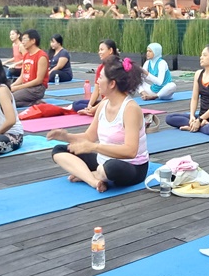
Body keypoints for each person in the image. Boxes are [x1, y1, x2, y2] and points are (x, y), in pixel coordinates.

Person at [48, 56, 149, 192]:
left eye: (101, 78)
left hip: (131, 166)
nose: (97, 81)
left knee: (109, 168)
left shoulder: (130, 109)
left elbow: (130, 151)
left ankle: (87, 174)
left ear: (112, 84)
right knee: (59, 150)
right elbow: (89, 137)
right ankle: (93, 180)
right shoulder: (103, 104)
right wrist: (66, 136)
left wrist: (94, 147)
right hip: (103, 159)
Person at [165, 45, 209, 136]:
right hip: (201, 116)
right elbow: (195, 98)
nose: (201, 57)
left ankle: (195, 127)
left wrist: (199, 120)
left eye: (204, 55)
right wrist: (192, 116)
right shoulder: (198, 74)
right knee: (169, 118)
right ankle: (196, 125)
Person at [73, 39, 119, 114]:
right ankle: (93, 110)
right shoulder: (101, 68)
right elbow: (96, 90)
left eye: (102, 49)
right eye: (99, 50)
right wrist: (90, 105)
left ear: (110, 50)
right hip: (105, 101)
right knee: (76, 104)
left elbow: (112, 94)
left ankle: (96, 111)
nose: (99, 52)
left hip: (113, 101)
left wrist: (94, 109)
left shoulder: (116, 67)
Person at [10, 29, 49, 108]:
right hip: (26, 87)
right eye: (22, 39)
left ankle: (33, 103)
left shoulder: (41, 56)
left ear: (33, 41)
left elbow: (39, 80)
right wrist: (11, 86)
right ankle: (34, 102)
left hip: (36, 89)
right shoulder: (26, 55)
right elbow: (22, 76)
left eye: (24, 39)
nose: (22, 42)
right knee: (4, 97)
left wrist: (17, 88)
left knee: (9, 100)